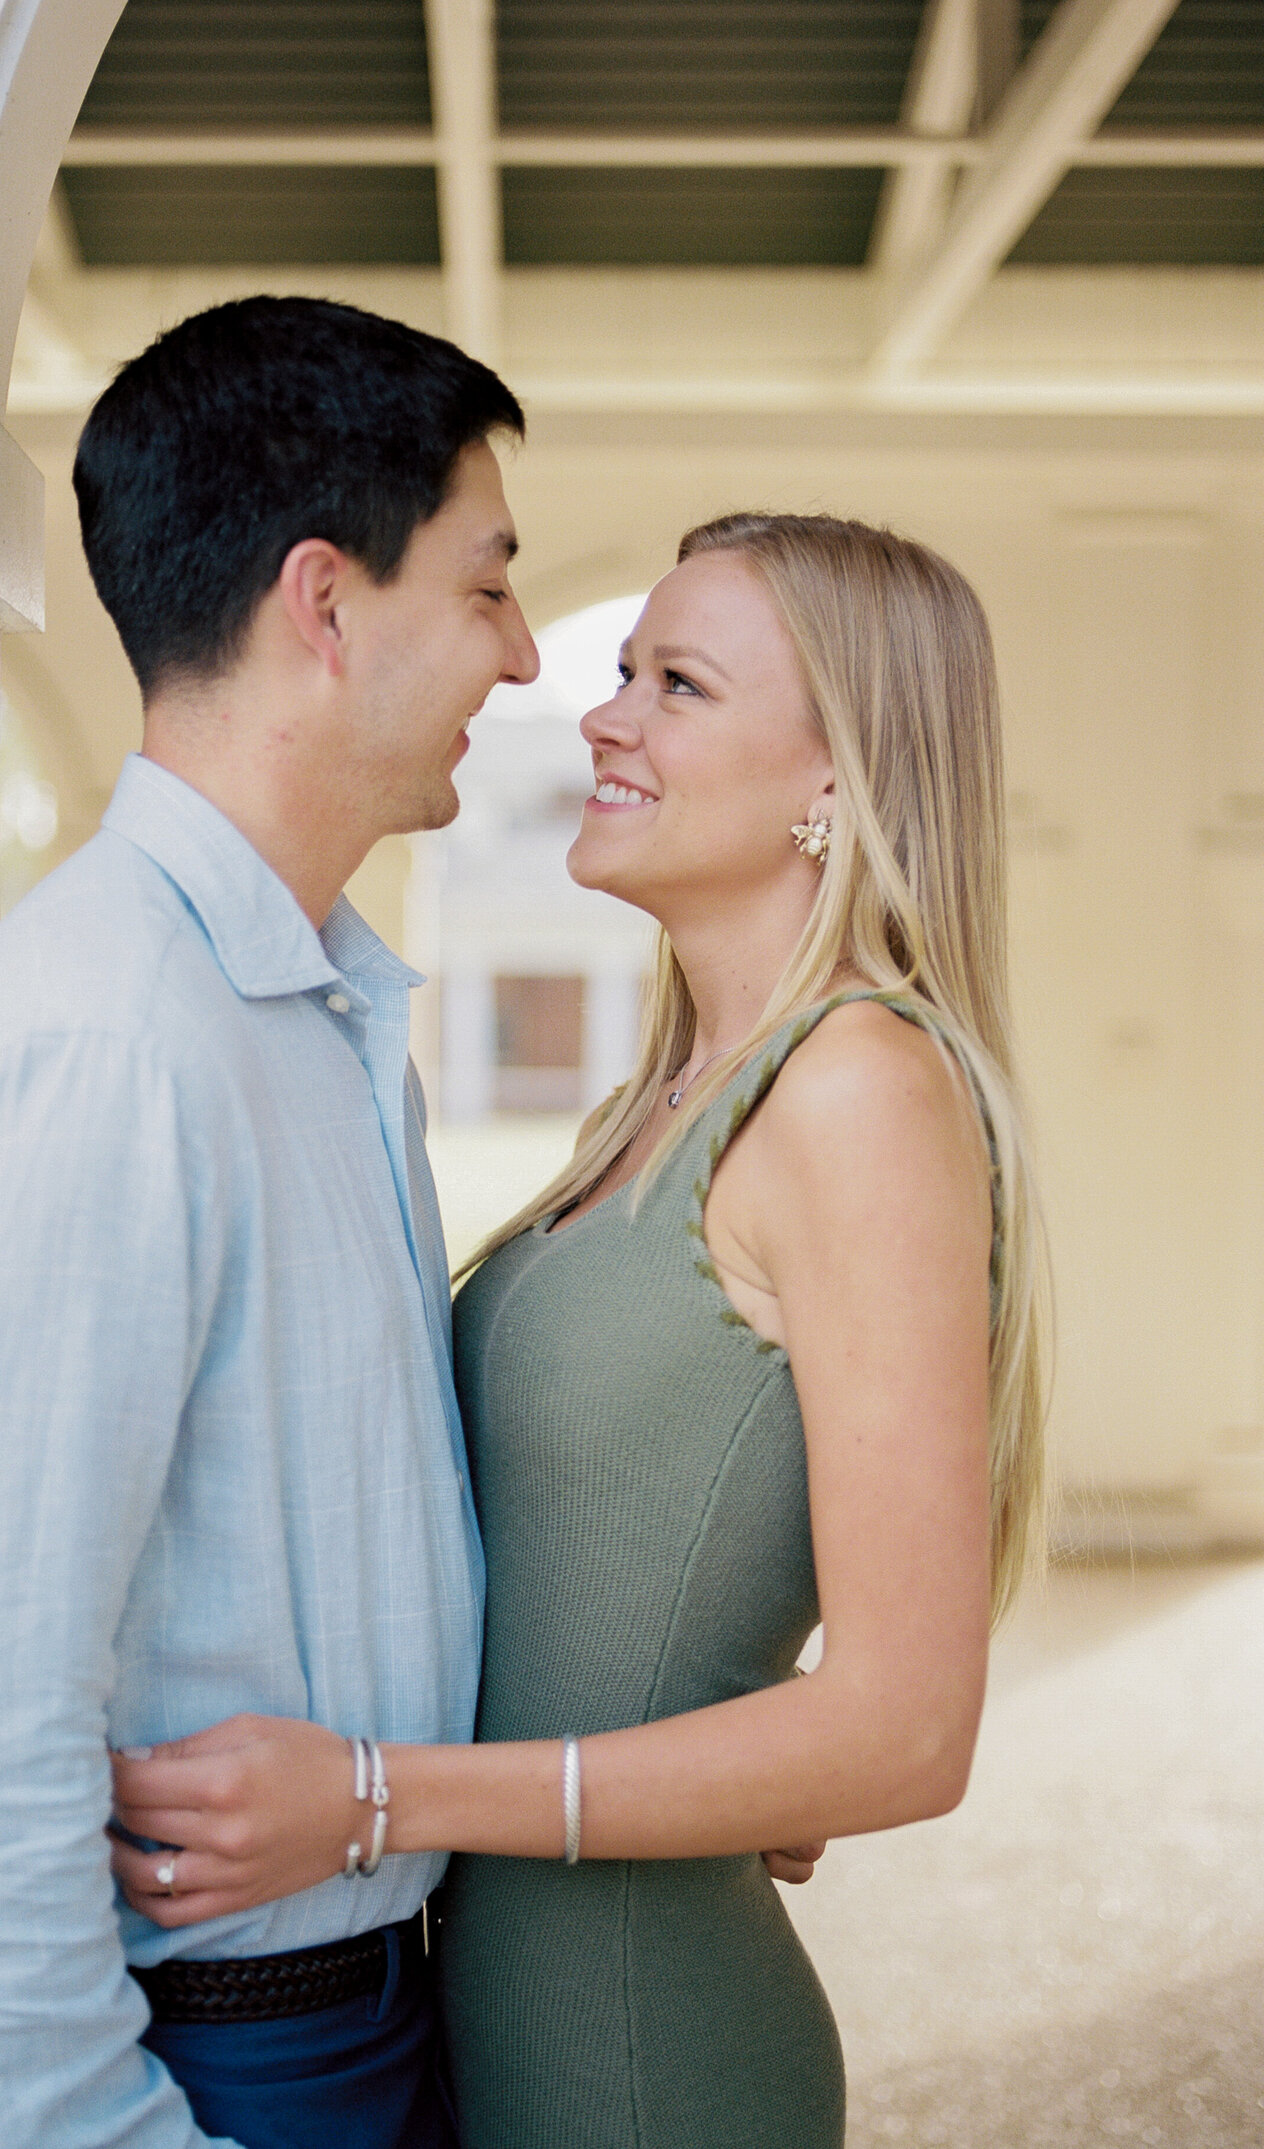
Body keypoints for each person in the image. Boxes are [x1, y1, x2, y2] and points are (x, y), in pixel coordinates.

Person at [0, 299, 816, 2149]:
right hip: (216, 2064)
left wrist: (692, 1751)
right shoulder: (105, 1042)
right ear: (326, 605)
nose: (525, 660)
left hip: (385, 2009)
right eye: (491, 585)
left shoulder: (320, 1013)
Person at [108, 511, 1051, 2148]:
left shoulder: (857, 1092)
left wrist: (377, 1795)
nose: (601, 711)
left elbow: (906, 1725)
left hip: (642, 2056)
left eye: (676, 683)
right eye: (627, 671)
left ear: (841, 776)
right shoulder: (663, 1094)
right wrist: (729, 1758)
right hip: (487, 2019)